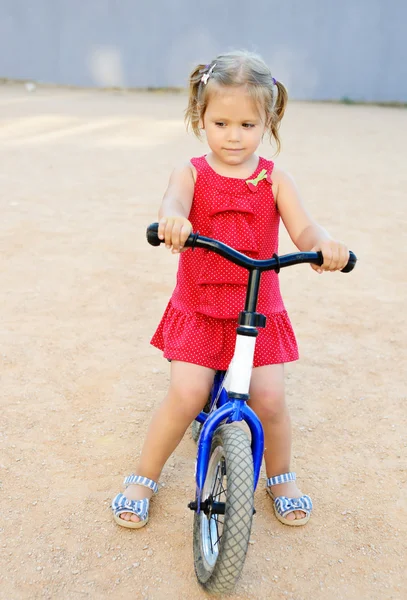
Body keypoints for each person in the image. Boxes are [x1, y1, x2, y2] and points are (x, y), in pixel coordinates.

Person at [111, 50, 349, 529]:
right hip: (200, 307)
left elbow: (304, 230)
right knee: (186, 393)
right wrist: (173, 218)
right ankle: (142, 477)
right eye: (221, 123)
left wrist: (323, 245)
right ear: (201, 118)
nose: (233, 136)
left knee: (270, 400)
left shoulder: (275, 179)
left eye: (247, 125)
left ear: (268, 122)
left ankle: (280, 476)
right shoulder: (192, 172)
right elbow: (174, 199)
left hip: (258, 309)